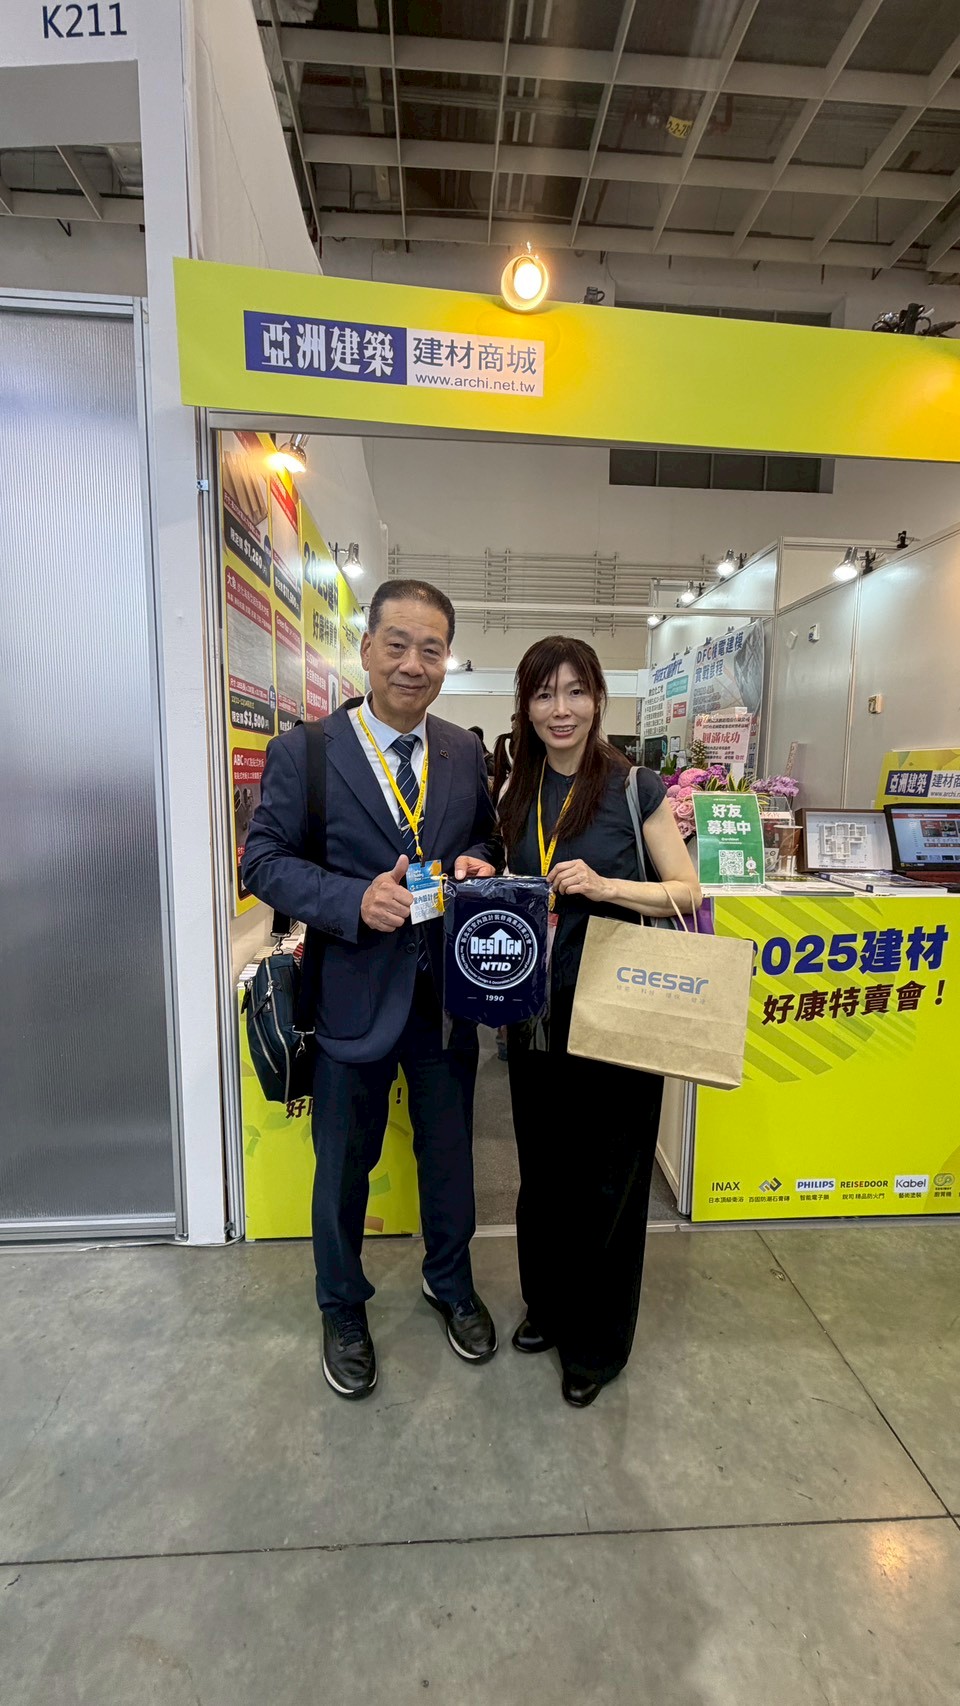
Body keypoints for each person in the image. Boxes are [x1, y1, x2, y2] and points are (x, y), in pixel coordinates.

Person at [241, 580, 501, 1401]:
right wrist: (351, 900)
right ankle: (342, 1306)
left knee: (449, 1155)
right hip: (350, 995)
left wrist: (478, 863)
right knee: (343, 1166)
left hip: (445, 997)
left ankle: (449, 1281)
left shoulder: (462, 751)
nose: (413, 664)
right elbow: (263, 861)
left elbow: (485, 838)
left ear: (447, 660)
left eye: (432, 649)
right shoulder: (307, 751)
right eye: (398, 644)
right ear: (366, 649)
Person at [498, 636, 700, 1409]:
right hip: (534, 1013)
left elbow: (686, 889)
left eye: (575, 692)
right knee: (544, 1173)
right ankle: (546, 1308)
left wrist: (607, 886)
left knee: (609, 1181)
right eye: (544, 693)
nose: (561, 709)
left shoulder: (632, 786)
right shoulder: (515, 787)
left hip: (618, 1010)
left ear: (598, 700)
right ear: (526, 706)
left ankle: (596, 1344)